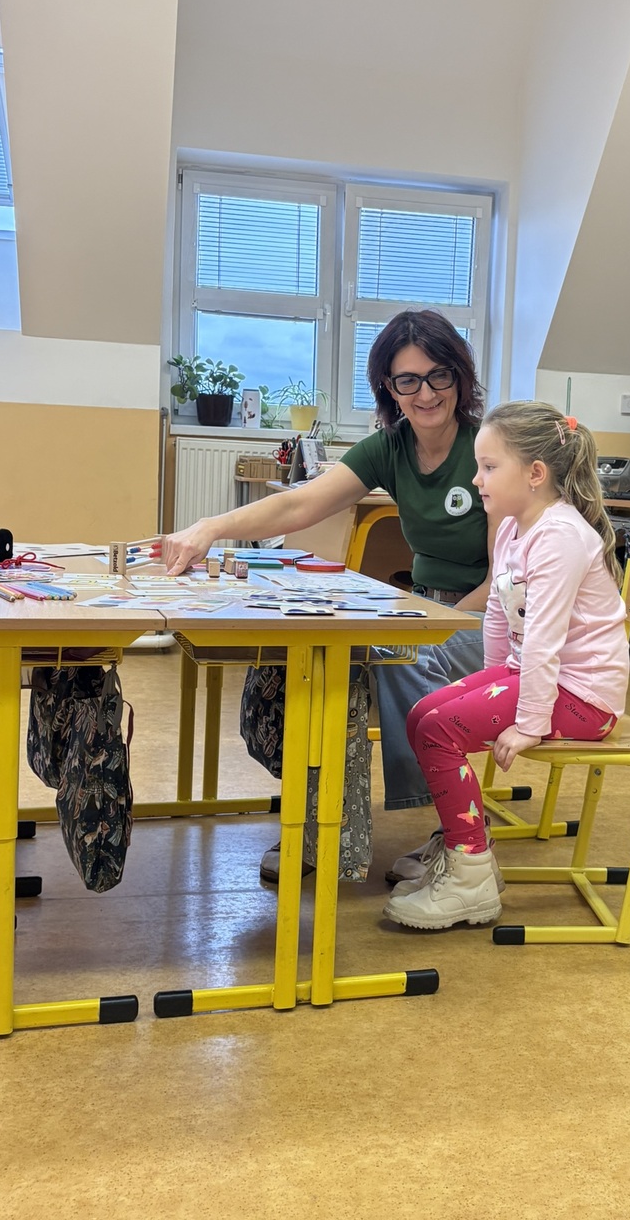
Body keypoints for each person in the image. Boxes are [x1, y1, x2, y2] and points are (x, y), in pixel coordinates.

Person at [162, 309, 495, 883]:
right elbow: (298, 503)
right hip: (428, 606)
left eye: (438, 375)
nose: (425, 393)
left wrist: (429, 622)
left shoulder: (488, 449)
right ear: (388, 387)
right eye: (407, 380)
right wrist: (209, 527)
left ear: (460, 376)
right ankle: (321, 821)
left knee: (397, 653)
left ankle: (457, 830)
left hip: (489, 620)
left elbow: (505, 580)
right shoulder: (390, 447)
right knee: (322, 657)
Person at [383, 401, 630, 931]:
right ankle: (467, 848)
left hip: (584, 699)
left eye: (489, 467)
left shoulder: (560, 537)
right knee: (423, 713)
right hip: (540, 679)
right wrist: (489, 683)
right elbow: (498, 615)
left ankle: (470, 876)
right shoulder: (514, 528)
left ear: (535, 474)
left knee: (439, 730)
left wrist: (528, 722)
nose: (477, 479)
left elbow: (544, 638)